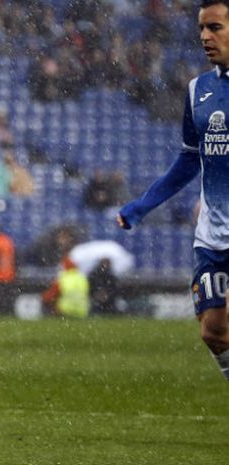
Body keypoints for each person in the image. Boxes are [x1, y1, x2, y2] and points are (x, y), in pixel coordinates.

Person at [117, 0, 229, 381]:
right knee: (214, 331)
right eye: (201, 29)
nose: (204, 37)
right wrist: (140, 206)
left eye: (214, 27)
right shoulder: (199, 90)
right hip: (212, 236)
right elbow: (188, 159)